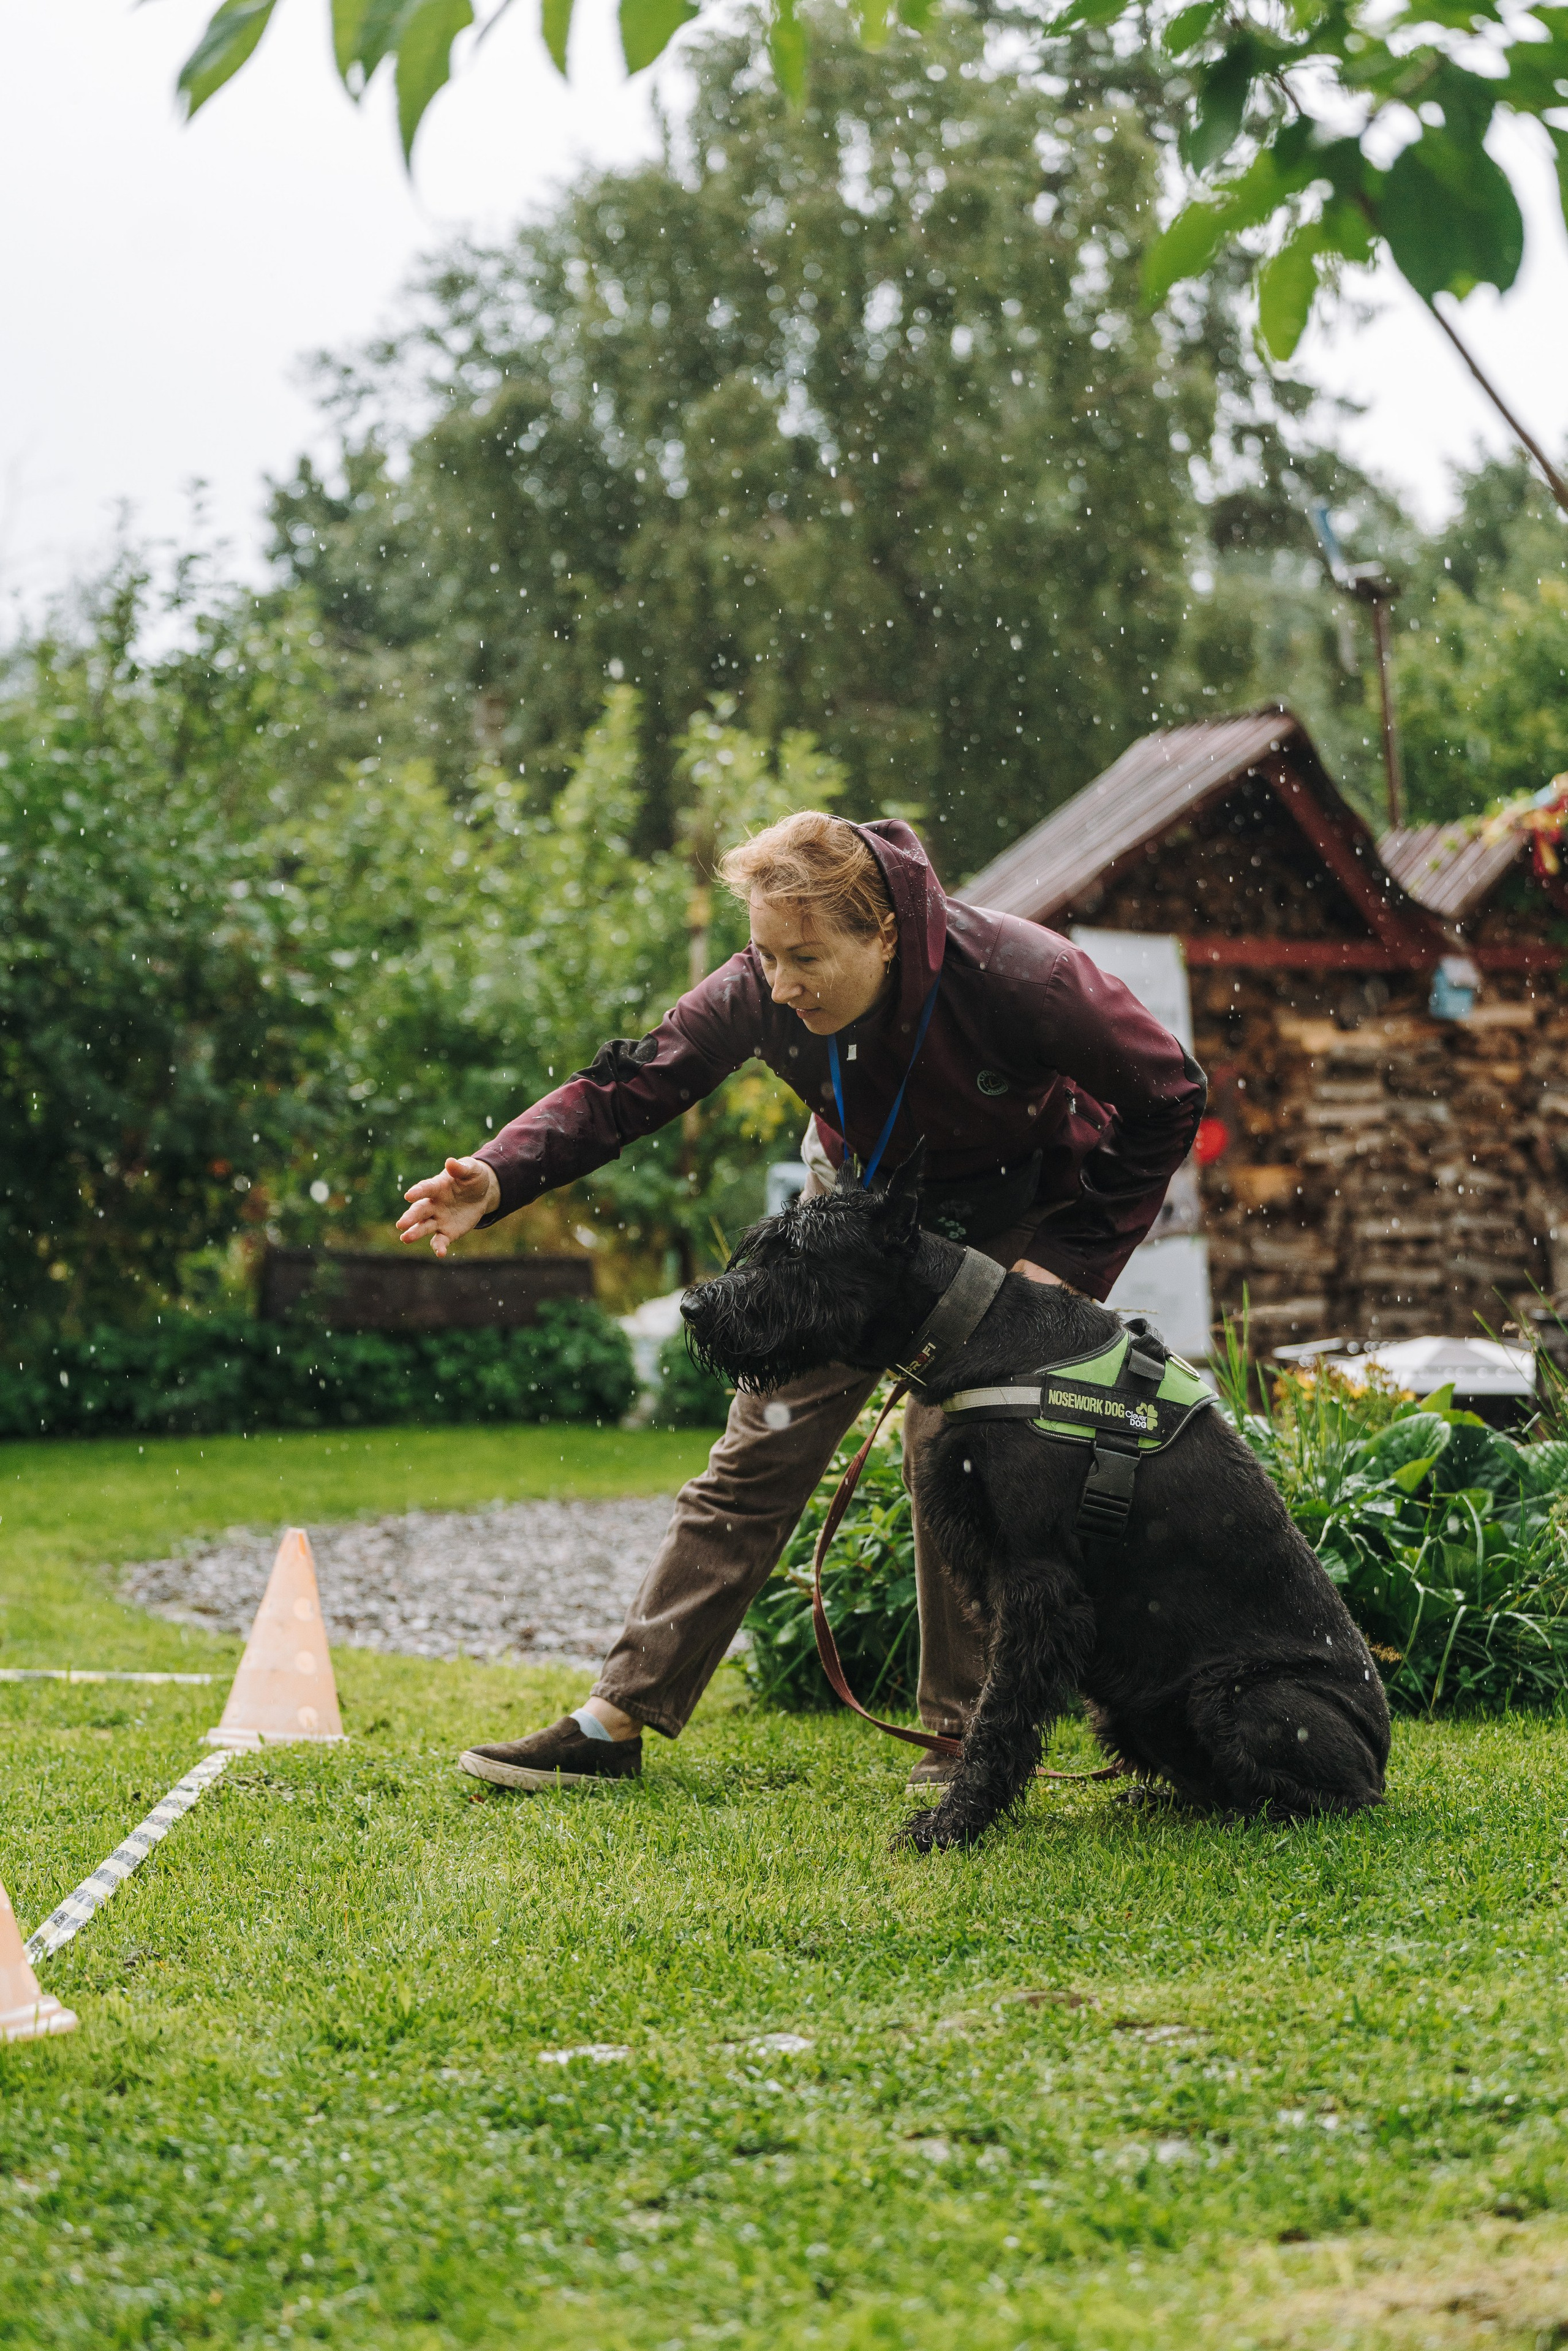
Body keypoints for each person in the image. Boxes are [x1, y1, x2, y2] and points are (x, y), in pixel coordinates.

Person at [396, 812, 1205, 1791]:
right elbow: (628, 1087)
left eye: (805, 957)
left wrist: (1067, 1264)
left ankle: (965, 1742)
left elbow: (1168, 1090)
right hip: (850, 1220)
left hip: (1001, 1225)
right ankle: (619, 1718)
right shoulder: (759, 987)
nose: (777, 985)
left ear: (887, 932)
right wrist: (497, 1172)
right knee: (757, 1450)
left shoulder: (1021, 976)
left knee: (955, 1454)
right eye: (765, 955)